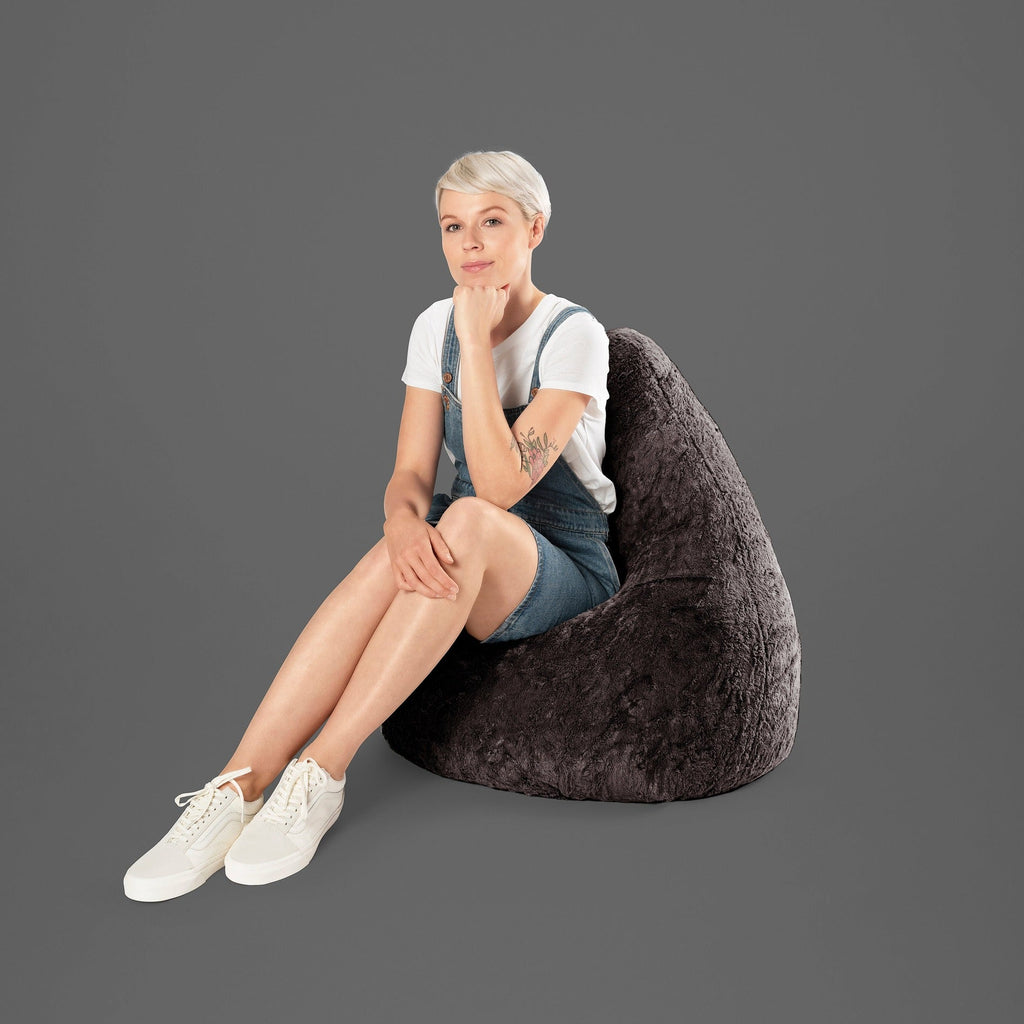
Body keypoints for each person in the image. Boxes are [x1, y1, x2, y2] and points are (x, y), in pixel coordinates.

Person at [123, 150, 621, 901]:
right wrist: (398, 522)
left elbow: (497, 483)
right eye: (454, 226)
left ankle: (320, 773)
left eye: (492, 222)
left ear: (536, 228)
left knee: (473, 519)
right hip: (468, 538)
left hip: (562, 564)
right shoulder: (432, 326)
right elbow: (412, 476)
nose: (471, 244)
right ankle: (239, 784)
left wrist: (480, 344)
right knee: (422, 537)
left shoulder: (573, 334)